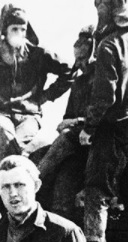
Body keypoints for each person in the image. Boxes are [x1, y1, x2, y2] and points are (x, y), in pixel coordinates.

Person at [0, 3, 72, 208]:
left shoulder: (38, 55)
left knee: (19, 143)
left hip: (29, 115)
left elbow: (68, 72)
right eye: (14, 28)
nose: (19, 33)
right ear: (4, 31)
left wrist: (45, 97)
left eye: (23, 29)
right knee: (4, 133)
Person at [79, 0, 128, 242]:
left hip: (114, 128)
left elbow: (104, 97)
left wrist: (89, 129)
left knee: (97, 191)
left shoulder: (109, 45)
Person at [37, 26, 97, 226]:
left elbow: (104, 116)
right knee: (63, 182)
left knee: (63, 140)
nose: (78, 64)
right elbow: (67, 117)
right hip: (78, 147)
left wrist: (77, 122)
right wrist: (69, 123)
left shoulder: (105, 81)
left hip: (98, 144)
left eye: (82, 58)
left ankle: (34, 178)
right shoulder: (79, 83)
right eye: (76, 59)